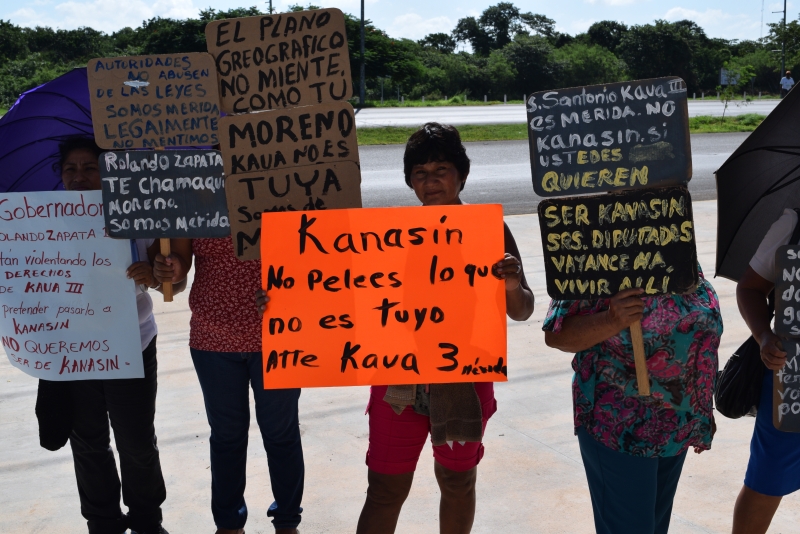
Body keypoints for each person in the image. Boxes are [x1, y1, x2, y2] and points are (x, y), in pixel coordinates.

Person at [305, 122, 534, 534]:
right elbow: (335, 295)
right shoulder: (386, 238)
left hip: (466, 377)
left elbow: (522, 311)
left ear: (461, 175)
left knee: (458, 482)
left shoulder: (490, 230)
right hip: (399, 380)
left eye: (441, 169)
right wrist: (285, 301)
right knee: (385, 489)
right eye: (420, 173)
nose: (430, 181)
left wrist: (512, 283)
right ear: (409, 181)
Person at [543, 268, 722, 533]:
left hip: (676, 427)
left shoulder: (676, 249)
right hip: (620, 428)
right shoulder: (594, 257)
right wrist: (611, 320)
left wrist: (701, 404)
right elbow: (556, 334)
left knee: (653, 526)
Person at [56, 136, 173, 534]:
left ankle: (146, 519)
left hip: (132, 343)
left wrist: (152, 273)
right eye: (70, 169)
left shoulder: (134, 214)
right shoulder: (42, 222)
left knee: (137, 442)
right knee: (87, 442)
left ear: (106, 174)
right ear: (60, 175)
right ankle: (102, 521)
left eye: (89, 167)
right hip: (72, 350)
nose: (79, 176)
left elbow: (166, 278)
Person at [153, 226, 304, 532]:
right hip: (213, 339)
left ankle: (287, 520)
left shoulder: (284, 180)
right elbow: (179, 272)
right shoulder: (193, 196)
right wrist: (175, 269)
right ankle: (229, 523)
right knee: (227, 436)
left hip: (279, 334)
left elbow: (316, 249)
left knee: (281, 433)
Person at [731, 208, 800, 534]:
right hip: (792, 383)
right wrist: (764, 336)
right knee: (765, 482)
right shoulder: (792, 224)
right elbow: (750, 288)